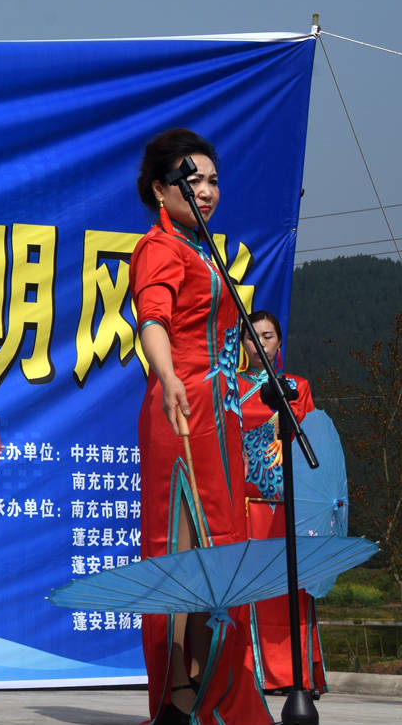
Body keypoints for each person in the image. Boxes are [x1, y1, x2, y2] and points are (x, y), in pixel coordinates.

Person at [129, 128, 271, 725]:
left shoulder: (203, 249)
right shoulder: (160, 247)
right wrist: (166, 376)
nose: (207, 191)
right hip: (183, 407)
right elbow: (152, 318)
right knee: (180, 553)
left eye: (213, 180)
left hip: (221, 412)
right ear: (160, 190)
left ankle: (208, 685)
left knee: (220, 551)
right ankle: (179, 690)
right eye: (192, 181)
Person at [237, 310, 327, 694]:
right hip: (244, 506)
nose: (260, 344)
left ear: (279, 342)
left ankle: (296, 675)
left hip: (290, 506)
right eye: (252, 337)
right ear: (241, 344)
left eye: (268, 336)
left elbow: (312, 438)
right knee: (250, 588)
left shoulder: (296, 386)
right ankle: (251, 675)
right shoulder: (229, 386)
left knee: (292, 588)